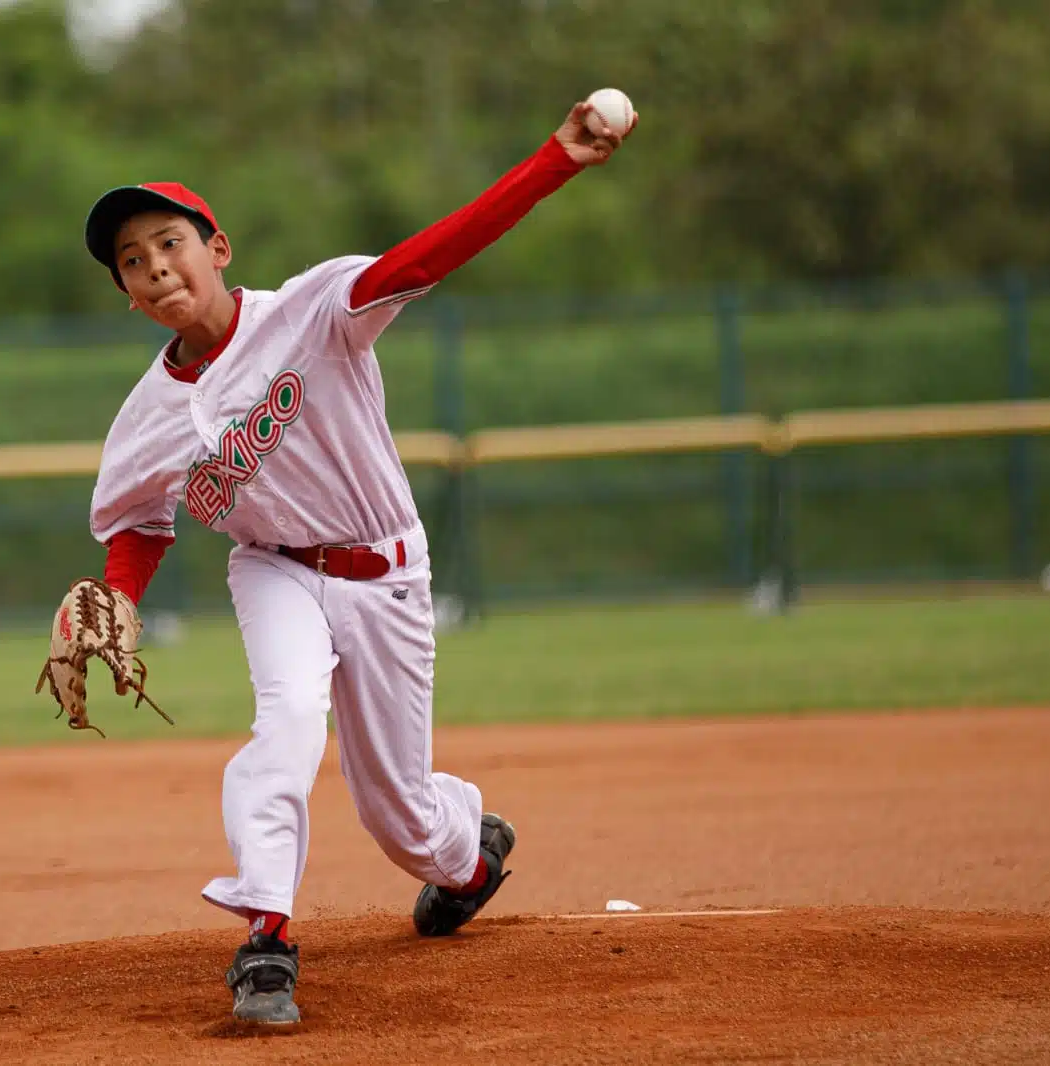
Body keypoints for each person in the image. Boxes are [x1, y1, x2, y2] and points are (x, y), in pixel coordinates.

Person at [82, 98, 636, 1025]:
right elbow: (138, 524)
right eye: (131, 262)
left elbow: (433, 253)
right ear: (127, 295)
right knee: (288, 719)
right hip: (273, 568)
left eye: (168, 242)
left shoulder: (314, 310)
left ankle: (468, 854)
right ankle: (266, 941)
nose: (153, 267)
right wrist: (120, 600)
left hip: (385, 571)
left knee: (401, 820)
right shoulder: (146, 416)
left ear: (216, 248)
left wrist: (557, 160)